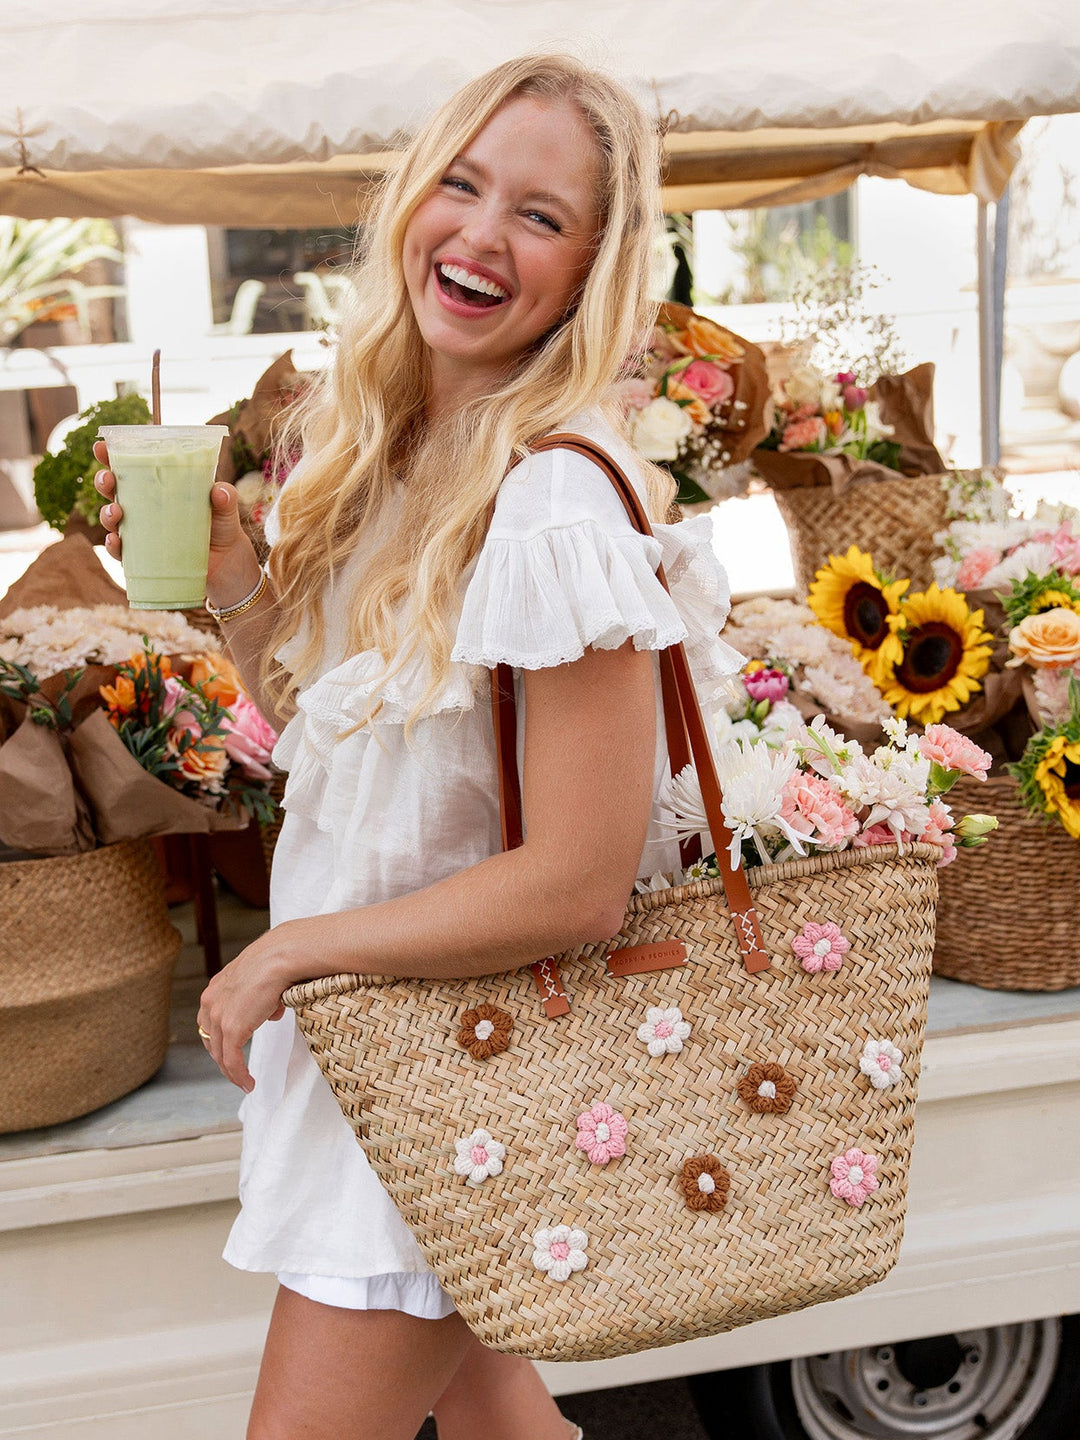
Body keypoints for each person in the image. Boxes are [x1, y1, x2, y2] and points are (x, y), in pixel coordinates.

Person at [95, 52, 737, 1440]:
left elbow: (579, 879)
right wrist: (229, 579)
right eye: (463, 184)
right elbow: (341, 736)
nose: (481, 236)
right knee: (515, 1433)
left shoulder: (555, 496)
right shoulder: (404, 447)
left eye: (540, 216)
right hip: (402, 1062)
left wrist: (288, 950)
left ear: (591, 272)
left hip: (461, 1066)